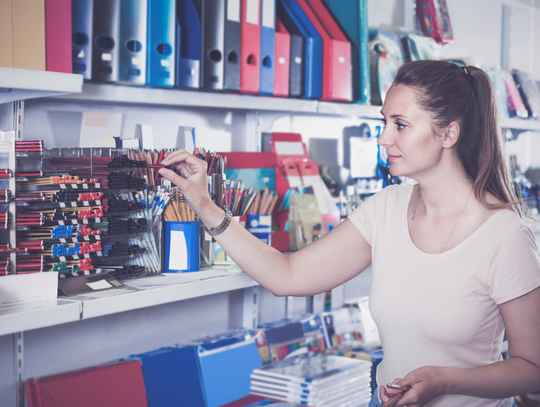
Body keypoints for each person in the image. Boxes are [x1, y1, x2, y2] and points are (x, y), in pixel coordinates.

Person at [159, 60, 540, 407]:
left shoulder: (504, 236)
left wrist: (444, 380)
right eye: (384, 122)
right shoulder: (385, 208)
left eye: (400, 125)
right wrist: (205, 205)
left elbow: (531, 367)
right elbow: (287, 275)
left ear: (448, 134)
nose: (383, 138)